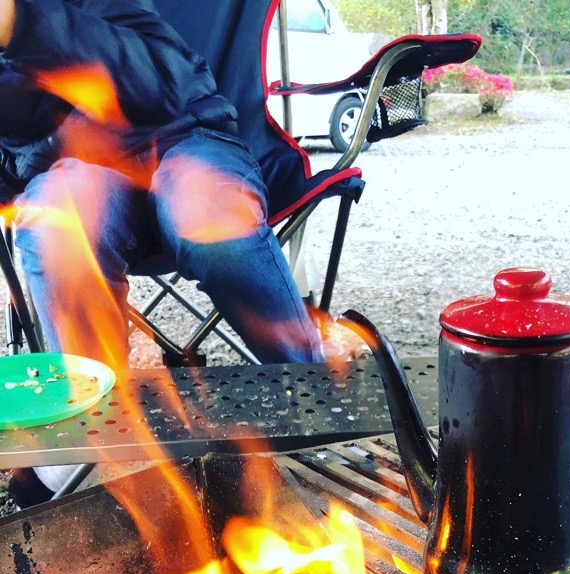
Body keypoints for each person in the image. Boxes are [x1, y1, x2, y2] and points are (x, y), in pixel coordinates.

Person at [0, 0, 326, 505]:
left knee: (202, 207)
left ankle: (310, 389)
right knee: (60, 218)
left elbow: (164, 83)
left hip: (184, 137)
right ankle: (88, 424)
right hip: (72, 175)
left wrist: (20, 25)